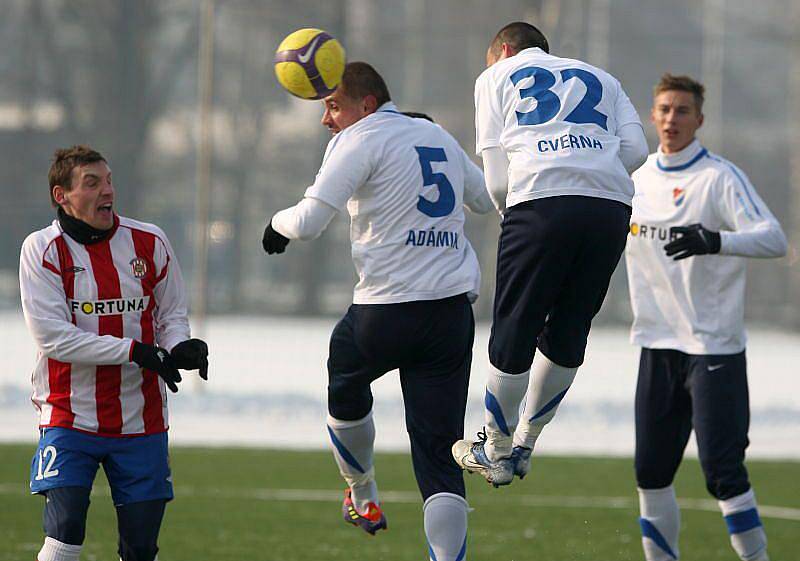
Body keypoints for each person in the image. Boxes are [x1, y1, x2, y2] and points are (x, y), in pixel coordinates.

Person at [262, 61, 494, 560]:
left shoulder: (360, 137)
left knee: (344, 384)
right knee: (439, 456)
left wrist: (275, 225)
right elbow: (484, 197)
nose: (327, 119)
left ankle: (362, 492)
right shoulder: (436, 134)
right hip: (450, 315)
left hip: (385, 311)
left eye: (333, 105)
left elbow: (307, 222)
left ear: (365, 105)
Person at [451, 21, 649, 486]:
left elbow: (497, 177)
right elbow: (637, 149)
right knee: (569, 328)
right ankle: (525, 443)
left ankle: (496, 451)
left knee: (515, 328)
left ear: (501, 50)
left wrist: (518, 210)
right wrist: (591, 168)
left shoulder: (494, 77)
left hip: (540, 203)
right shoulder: (603, 76)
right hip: (608, 208)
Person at [20, 145, 209, 561]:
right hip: (69, 415)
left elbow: (171, 314)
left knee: (140, 548)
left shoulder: (149, 241)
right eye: (92, 183)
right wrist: (135, 351)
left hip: (141, 419)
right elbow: (54, 338)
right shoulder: (42, 250)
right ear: (61, 196)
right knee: (65, 533)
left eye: (109, 180)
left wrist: (181, 347)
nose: (107, 191)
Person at [625, 74, 787, 561]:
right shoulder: (634, 179)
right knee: (650, 473)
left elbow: (774, 238)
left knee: (722, 472)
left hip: (713, 348)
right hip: (656, 344)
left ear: (699, 119)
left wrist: (716, 239)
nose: (671, 119)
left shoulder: (718, 177)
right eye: (664, 110)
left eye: (682, 111)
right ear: (652, 116)